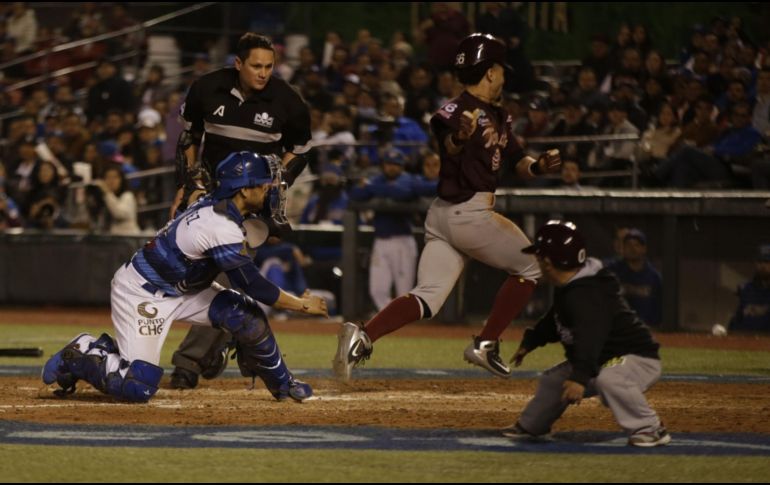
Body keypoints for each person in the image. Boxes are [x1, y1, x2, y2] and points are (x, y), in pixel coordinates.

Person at [333, 33, 562, 381]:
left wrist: (538, 166)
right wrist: (460, 137)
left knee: (429, 297)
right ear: (490, 72)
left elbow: (518, 160)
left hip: (443, 217)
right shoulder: (457, 109)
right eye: (501, 70)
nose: (503, 77)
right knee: (532, 266)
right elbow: (449, 145)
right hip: (469, 212)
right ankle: (486, 343)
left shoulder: (499, 114)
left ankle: (360, 338)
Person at [41, 152, 327, 403]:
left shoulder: (217, 204)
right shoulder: (218, 226)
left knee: (246, 315)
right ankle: (82, 350)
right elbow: (252, 284)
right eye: (263, 184)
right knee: (137, 386)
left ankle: (283, 385)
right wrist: (301, 305)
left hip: (185, 288)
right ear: (243, 190)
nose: (269, 189)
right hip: (143, 292)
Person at [169, 33, 313, 390]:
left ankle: (189, 362)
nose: (263, 73)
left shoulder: (287, 100)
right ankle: (242, 341)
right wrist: (188, 184)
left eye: (269, 66)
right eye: (256, 66)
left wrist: (277, 186)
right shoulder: (206, 88)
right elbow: (189, 138)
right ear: (238, 64)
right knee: (202, 273)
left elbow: (300, 150)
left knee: (228, 273)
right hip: (210, 194)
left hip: (253, 201)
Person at [501, 220, 670, 448]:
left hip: (635, 358)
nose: (537, 261)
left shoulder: (585, 293)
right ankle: (531, 426)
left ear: (549, 262)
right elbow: (556, 318)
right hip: (601, 358)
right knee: (553, 381)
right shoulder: (573, 286)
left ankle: (650, 428)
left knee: (610, 380)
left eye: (539, 257)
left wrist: (579, 378)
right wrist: (533, 340)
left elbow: (591, 336)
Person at [349, 149, 418, 311]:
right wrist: (383, 188)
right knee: (377, 290)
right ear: (383, 165)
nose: (392, 167)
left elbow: (404, 193)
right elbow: (355, 194)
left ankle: (402, 321)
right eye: (389, 164)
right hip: (380, 241)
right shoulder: (377, 179)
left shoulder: (408, 179)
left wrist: (374, 188)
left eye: (396, 164)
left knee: (404, 292)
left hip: (402, 241)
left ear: (402, 166)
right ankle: (391, 319)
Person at [606, 228, 662, 327]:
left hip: (644, 329)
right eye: (628, 245)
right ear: (623, 248)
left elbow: (658, 309)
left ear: (644, 249)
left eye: (636, 245)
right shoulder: (611, 270)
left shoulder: (654, 277)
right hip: (616, 328)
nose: (632, 249)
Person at [728, 244, 770, 333]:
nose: (763, 266)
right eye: (760, 261)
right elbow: (736, 320)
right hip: (745, 339)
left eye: (767, 262)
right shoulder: (745, 289)